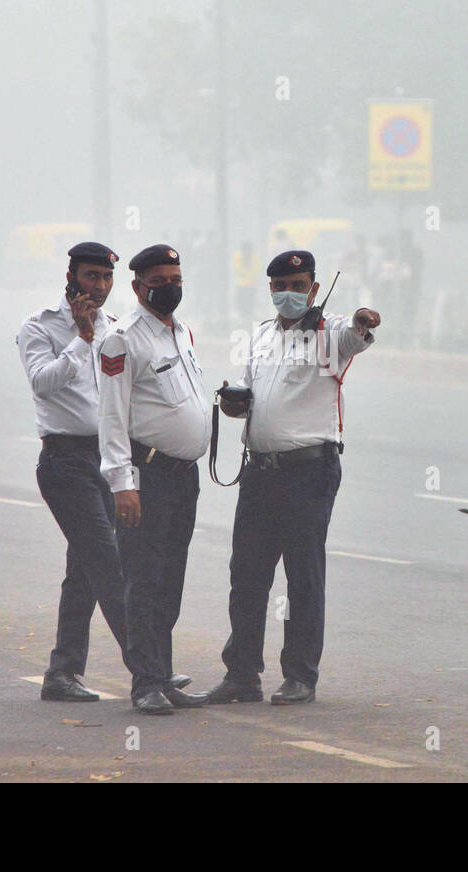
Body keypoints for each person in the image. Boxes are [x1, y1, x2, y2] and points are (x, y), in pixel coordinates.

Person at [17, 242, 191, 702]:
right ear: (71, 276)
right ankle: (150, 671)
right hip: (64, 463)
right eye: (91, 276)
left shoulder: (117, 329)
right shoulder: (40, 325)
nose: (98, 286)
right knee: (110, 565)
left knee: (85, 571)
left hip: (107, 459)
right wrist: (81, 337)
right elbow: (43, 383)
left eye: (105, 279)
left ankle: (62, 671)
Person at [206, 249, 381, 705]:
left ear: (315, 289)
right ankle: (241, 674)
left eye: (298, 286)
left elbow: (356, 331)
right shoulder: (262, 336)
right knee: (246, 575)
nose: (289, 294)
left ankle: (300, 675)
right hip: (259, 472)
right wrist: (234, 404)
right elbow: (251, 394)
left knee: (302, 575)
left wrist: (363, 319)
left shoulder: (329, 334)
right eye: (281, 286)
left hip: (308, 473)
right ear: (270, 289)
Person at [98, 244, 212, 715]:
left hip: (184, 477)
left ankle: (163, 675)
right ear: (137, 286)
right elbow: (111, 416)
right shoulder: (122, 339)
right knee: (143, 580)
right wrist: (124, 482)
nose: (170, 287)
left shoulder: (180, 331)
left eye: (175, 278)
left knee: (170, 580)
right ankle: (145, 682)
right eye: (159, 280)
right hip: (148, 476)